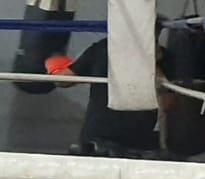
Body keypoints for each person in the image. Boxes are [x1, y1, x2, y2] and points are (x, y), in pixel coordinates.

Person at [49, 22, 170, 158]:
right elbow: (65, 80)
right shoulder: (104, 48)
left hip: (113, 137)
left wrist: (52, 65)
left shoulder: (104, 47)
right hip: (121, 138)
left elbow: (63, 80)